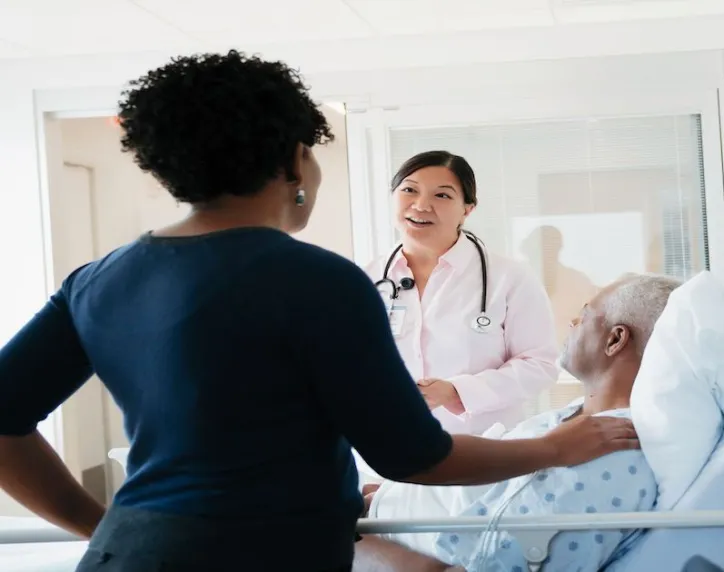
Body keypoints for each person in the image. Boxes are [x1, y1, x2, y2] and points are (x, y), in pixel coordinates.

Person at [0, 51, 639, 572]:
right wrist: (557, 447)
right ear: (293, 162)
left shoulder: (98, 280)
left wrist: (105, 526)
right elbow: (415, 456)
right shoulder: (320, 280)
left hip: (127, 554)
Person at [357, 274, 683, 572]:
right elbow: (486, 489)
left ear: (615, 339)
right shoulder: (576, 419)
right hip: (379, 503)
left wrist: (351, 543)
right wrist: (393, 494)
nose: (571, 321)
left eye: (584, 315)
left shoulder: (609, 452)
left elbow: (479, 565)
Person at [365, 151, 560, 436]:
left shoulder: (509, 278)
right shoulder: (364, 279)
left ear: (467, 209)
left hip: (481, 449)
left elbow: (539, 365)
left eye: (442, 196)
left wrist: (457, 391)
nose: (421, 205)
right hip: (386, 448)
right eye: (409, 190)